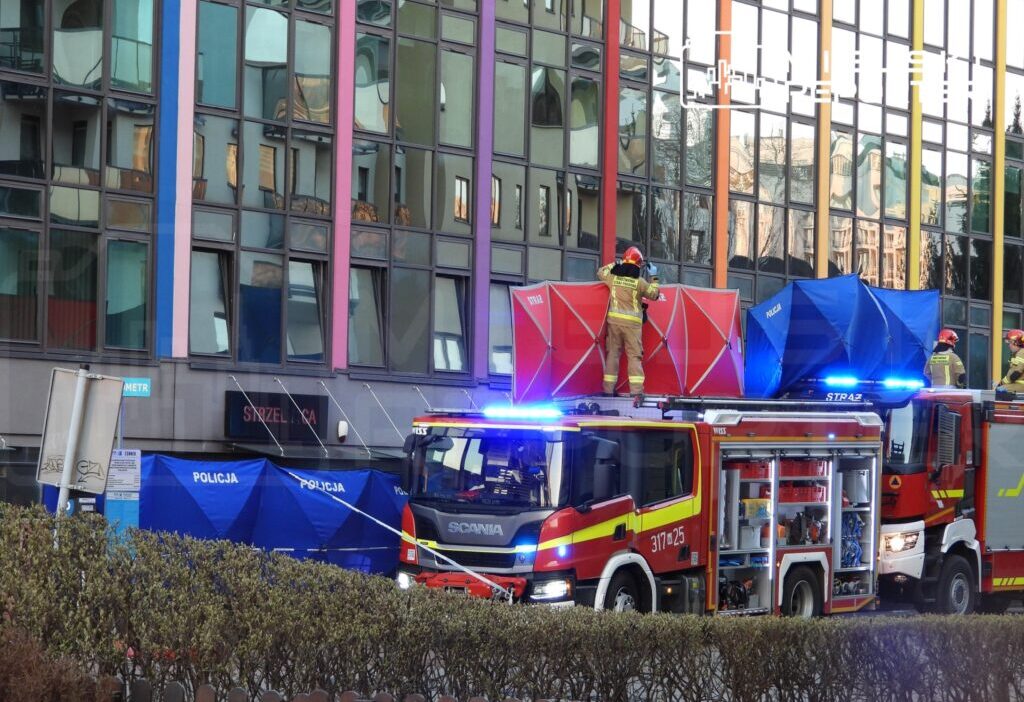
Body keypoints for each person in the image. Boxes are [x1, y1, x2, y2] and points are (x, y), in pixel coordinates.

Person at [597, 246, 660, 399]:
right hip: (633, 326)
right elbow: (655, 294)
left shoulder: (613, 279)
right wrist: (654, 276)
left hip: (614, 323)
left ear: (624, 262)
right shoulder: (640, 283)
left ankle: (608, 390)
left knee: (613, 355)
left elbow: (601, 272)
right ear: (638, 266)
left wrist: (615, 263)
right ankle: (636, 392)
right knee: (634, 357)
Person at [998, 329, 1024, 394]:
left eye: (1010, 342)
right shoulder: (1019, 353)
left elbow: (1014, 374)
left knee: (999, 390)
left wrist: (1001, 384)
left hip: (1021, 386)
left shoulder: (1021, 353)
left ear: (1016, 342)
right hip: (1019, 385)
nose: (1009, 346)